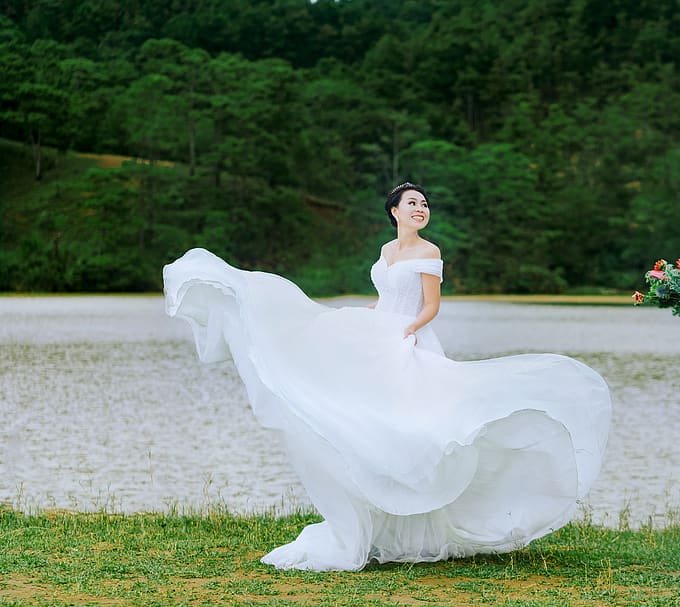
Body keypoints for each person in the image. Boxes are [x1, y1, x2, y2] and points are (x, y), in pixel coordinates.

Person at [163, 182, 612, 571]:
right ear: (395, 212)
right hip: (381, 334)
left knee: (415, 431)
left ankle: (421, 526)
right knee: (364, 424)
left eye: (425, 204)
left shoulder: (428, 251)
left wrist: (407, 332)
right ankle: (378, 524)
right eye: (412, 203)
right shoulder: (388, 251)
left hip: (411, 339)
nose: (421, 209)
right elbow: (385, 297)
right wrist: (363, 319)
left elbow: (430, 306)